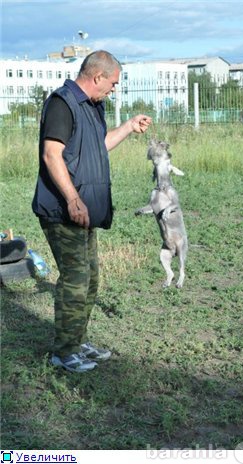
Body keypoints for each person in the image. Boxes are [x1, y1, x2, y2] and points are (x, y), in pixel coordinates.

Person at [32, 50, 152, 373]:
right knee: (75, 278)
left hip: (83, 211)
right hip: (62, 210)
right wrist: (72, 198)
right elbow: (51, 155)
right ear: (97, 76)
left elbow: (99, 144)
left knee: (91, 279)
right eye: (112, 84)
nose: (113, 90)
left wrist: (128, 126)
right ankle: (64, 352)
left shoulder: (93, 108)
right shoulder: (62, 103)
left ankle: (77, 340)